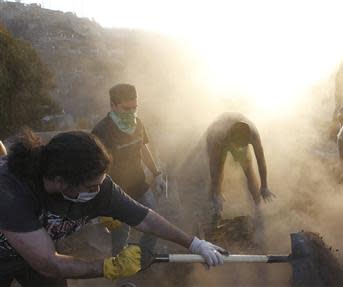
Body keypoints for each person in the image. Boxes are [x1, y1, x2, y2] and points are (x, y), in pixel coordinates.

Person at [0, 131, 225, 286]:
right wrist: (111, 266)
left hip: (38, 254)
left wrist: (194, 243)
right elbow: (49, 264)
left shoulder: (97, 185)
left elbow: (144, 218)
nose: (99, 191)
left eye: (101, 183)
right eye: (91, 187)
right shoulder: (11, 192)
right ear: (60, 181)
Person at [92, 83, 166, 256]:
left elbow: (142, 148)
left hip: (139, 184)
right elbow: (93, 167)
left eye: (135, 107)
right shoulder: (102, 131)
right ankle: (121, 273)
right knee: (121, 235)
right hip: (115, 192)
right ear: (113, 105)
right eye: (127, 108)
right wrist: (98, 203)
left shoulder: (137, 124)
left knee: (155, 224)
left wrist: (157, 174)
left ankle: (143, 257)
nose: (132, 112)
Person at [205, 113, 275, 222]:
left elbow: (260, 160)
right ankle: (215, 207)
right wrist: (216, 191)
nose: (239, 148)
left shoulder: (253, 134)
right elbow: (213, 166)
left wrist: (264, 186)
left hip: (235, 137)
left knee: (248, 169)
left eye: (243, 145)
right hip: (218, 138)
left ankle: (258, 208)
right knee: (219, 169)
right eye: (238, 145)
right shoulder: (219, 135)